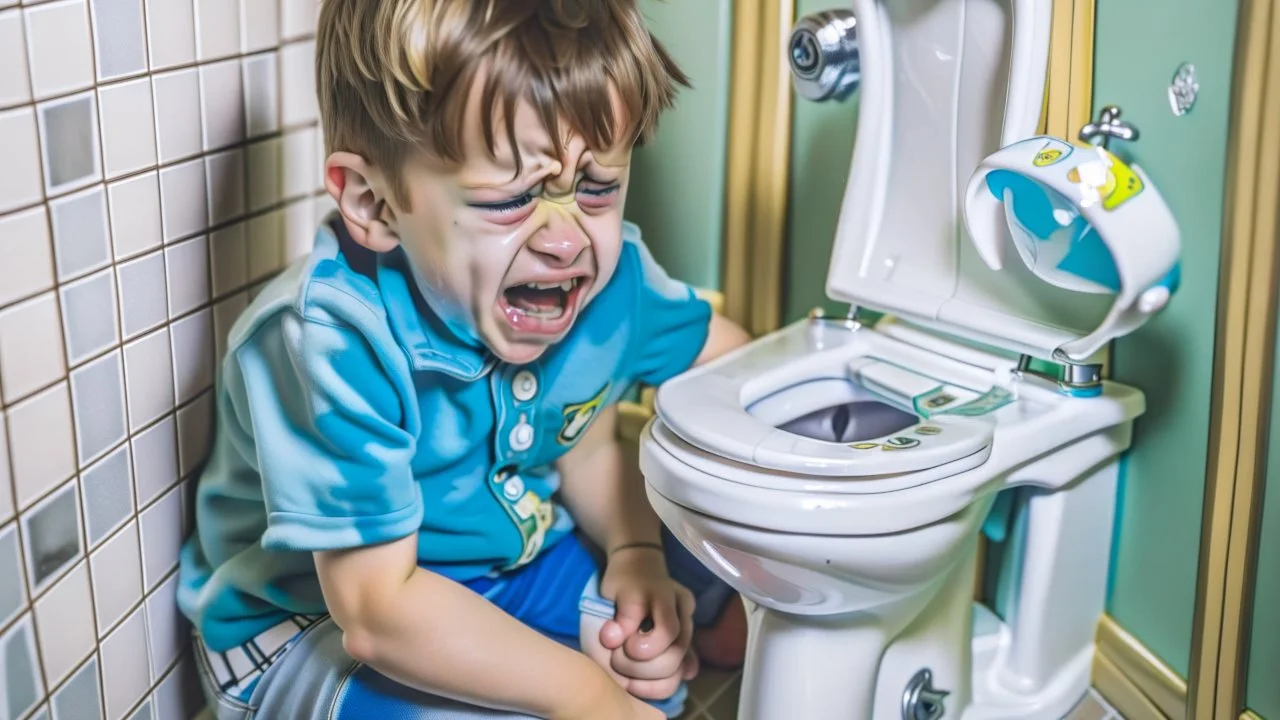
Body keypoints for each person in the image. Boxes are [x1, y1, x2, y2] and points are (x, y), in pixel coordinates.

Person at [175, 1, 753, 718]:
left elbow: (604, 426)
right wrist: (582, 695)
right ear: (376, 203)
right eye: (512, 200)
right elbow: (377, 613)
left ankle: (722, 620)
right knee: (595, 699)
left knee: (647, 674)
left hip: (508, 564)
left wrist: (637, 551)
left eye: (596, 187)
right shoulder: (328, 341)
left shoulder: (609, 286)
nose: (566, 239)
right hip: (308, 623)